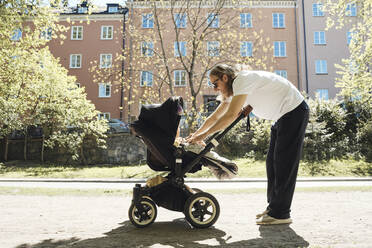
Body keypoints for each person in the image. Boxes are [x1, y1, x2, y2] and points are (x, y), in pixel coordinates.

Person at [186, 64, 309, 225]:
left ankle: (281, 213)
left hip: (293, 111)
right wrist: (195, 136)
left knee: (284, 164)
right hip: (282, 117)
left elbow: (230, 115)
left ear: (225, 78)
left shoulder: (241, 80)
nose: (215, 88)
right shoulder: (236, 89)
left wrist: (203, 136)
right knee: (272, 164)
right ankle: (274, 208)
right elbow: (214, 117)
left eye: (215, 84)